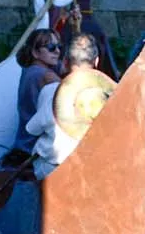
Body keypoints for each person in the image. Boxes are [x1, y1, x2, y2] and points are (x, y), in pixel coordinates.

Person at [26, 33, 116, 176]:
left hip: (52, 171)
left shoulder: (49, 91)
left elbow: (32, 129)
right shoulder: (113, 96)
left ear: (66, 62)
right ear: (97, 61)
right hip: (96, 170)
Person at [12, 27, 62, 153]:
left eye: (58, 46)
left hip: (23, 142)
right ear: (35, 52)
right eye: (51, 47)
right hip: (35, 146)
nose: (57, 51)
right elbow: (70, 93)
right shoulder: (45, 75)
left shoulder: (29, 69)